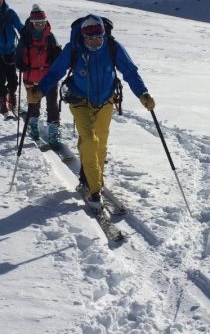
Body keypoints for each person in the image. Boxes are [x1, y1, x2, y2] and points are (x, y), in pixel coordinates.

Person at [33, 14, 155, 209]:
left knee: (100, 143)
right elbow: (56, 72)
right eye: (90, 37)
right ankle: (94, 188)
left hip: (105, 101)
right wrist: (40, 89)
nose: (95, 41)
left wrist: (143, 94)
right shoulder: (73, 49)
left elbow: (130, 72)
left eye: (98, 36)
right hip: (79, 100)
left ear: (103, 33)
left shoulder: (113, 47)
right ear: (82, 36)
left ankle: (89, 175)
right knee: (90, 139)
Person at [16, 4, 62, 144]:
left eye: (42, 22)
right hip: (30, 76)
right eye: (37, 22)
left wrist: (57, 56)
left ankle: (53, 132)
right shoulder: (25, 37)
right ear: (32, 22)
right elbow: (18, 54)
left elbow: (57, 55)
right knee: (34, 104)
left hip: (48, 77)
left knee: (52, 105)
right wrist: (19, 63)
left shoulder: (50, 36)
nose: (39, 25)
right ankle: (33, 126)